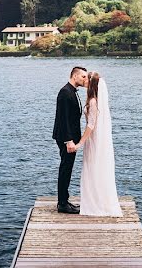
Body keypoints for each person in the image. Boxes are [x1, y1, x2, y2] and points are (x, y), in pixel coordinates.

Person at [72, 71, 123, 216]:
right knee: (94, 167)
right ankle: (97, 199)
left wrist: (80, 142)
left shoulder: (94, 102)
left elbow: (91, 125)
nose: (84, 81)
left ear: (91, 84)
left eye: (86, 79)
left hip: (93, 140)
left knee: (93, 168)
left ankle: (96, 203)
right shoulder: (95, 100)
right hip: (94, 140)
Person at [52, 66, 88, 214]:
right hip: (66, 138)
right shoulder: (65, 92)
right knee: (65, 169)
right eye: (83, 77)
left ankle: (64, 200)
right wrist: (69, 141)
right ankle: (62, 204)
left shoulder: (71, 91)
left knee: (67, 168)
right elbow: (63, 119)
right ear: (75, 76)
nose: (85, 79)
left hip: (71, 137)